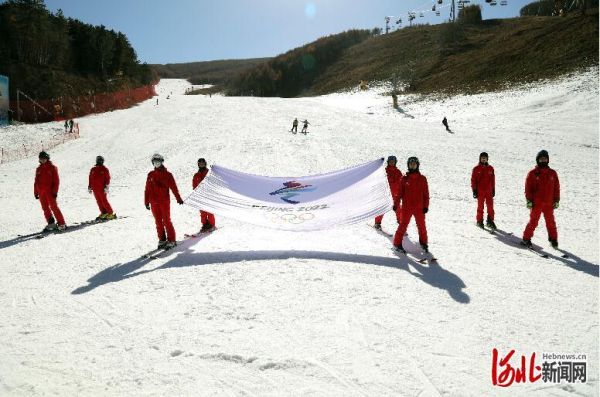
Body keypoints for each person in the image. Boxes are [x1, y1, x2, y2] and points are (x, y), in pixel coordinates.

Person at [144, 153, 184, 249]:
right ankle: (162, 239)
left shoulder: (168, 175)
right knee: (158, 222)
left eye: (158, 161)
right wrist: (146, 201)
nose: (156, 163)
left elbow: (174, 188)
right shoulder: (150, 174)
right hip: (153, 202)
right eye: (155, 162)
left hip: (164, 202)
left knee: (166, 221)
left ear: (162, 162)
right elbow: (147, 189)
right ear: (152, 163)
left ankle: (172, 240)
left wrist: (178, 198)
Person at [522, 150, 560, 248]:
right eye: (541, 158)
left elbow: (556, 187)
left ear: (548, 160)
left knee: (551, 222)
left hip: (549, 203)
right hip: (536, 203)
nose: (543, 160)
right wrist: (529, 200)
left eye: (545, 158)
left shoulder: (552, 173)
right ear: (538, 160)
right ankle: (526, 238)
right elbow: (528, 188)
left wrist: (556, 200)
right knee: (533, 221)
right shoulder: (533, 173)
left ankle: (553, 239)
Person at [392, 156, 429, 252]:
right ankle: (397, 244)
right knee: (403, 225)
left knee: (422, 226)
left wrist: (425, 206)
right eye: (411, 164)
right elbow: (399, 193)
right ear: (408, 166)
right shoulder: (404, 178)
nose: (412, 166)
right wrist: (396, 204)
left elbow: (426, 194)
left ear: (417, 165)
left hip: (419, 208)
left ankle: (424, 243)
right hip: (407, 208)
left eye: (414, 164)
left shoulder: (422, 179)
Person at [34, 151, 66, 231]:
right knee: (45, 208)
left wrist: (55, 192)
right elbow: (36, 181)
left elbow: (56, 181)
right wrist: (36, 192)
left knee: (54, 207)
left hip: (50, 191)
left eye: (44, 158)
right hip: (41, 192)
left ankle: (61, 223)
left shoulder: (52, 167)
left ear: (47, 158)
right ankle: (51, 222)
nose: (43, 160)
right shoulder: (38, 169)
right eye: (41, 159)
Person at [374, 155, 403, 229]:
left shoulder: (398, 172)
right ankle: (377, 223)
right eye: (390, 161)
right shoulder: (384, 171)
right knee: (382, 208)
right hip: (385, 194)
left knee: (398, 209)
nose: (392, 163)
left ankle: (401, 225)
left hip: (395, 195)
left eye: (393, 161)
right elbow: (378, 180)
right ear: (388, 162)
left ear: (395, 162)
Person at [471, 152, 496, 230]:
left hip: (489, 191)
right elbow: (473, 180)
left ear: (487, 159)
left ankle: (490, 221)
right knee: (480, 207)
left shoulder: (490, 168)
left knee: (490, 207)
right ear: (480, 159)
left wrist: (493, 189)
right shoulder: (476, 169)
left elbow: (493, 180)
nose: (484, 159)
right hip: (480, 191)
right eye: (482, 158)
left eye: (485, 158)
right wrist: (474, 190)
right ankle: (479, 221)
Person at [88, 155, 116, 220]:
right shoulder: (93, 169)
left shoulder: (105, 169)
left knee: (104, 200)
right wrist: (89, 186)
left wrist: (107, 186)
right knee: (98, 201)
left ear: (102, 161)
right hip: (95, 188)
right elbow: (90, 178)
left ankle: (110, 213)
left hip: (102, 188)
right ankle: (104, 212)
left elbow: (107, 178)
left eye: (101, 160)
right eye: (98, 160)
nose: (99, 161)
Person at [192, 158, 216, 232]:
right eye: (200, 163)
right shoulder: (196, 175)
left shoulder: (209, 172)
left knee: (209, 210)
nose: (202, 164)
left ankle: (212, 225)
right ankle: (205, 225)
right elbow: (194, 186)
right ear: (198, 164)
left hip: (208, 195)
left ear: (205, 164)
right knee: (203, 212)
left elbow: (214, 180)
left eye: (203, 163)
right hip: (200, 196)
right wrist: (196, 194)